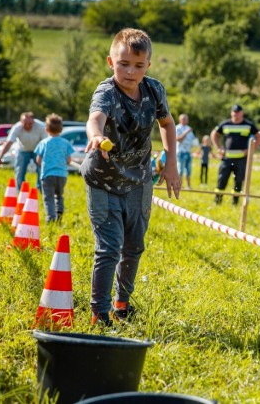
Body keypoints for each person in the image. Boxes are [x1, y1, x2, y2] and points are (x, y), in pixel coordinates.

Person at [80, 28, 181, 327]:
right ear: (111, 62)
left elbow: (167, 123)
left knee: (134, 247)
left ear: (147, 65)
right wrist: (96, 136)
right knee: (110, 247)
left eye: (138, 65)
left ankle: (121, 305)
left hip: (138, 181)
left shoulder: (154, 90)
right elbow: (94, 118)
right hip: (102, 180)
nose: (130, 71)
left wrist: (171, 161)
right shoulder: (106, 92)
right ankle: (99, 313)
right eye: (123, 64)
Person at [211, 104, 260, 205]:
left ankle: (235, 203)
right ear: (231, 113)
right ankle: (217, 202)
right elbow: (214, 134)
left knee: (238, 182)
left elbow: (259, 136)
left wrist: (251, 150)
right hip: (226, 158)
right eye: (234, 112)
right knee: (221, 181)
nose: (236, 114)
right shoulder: (225, 124)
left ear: (242, 113)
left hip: (241, 159)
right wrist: (218, 148)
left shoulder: (248, 125)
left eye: (238, 112)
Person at [34, 113, 74, 223]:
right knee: (59, 195)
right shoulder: (66, 143)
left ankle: (51, 218)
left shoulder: (44, 143)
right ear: (61, 129)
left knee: (49, 198)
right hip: (62, 175)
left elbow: (38, 160)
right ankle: (59, 213)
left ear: (46, 129)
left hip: (48, 175)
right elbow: (69, 160)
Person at [0, 111, 47, 191]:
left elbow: (46, 143)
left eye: (30, 123)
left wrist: (44, 157)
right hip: (22, 150)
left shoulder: (41, 126)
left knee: (42, 170)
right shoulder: (17, 127)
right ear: (21, 122)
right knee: (19, 171)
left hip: (38, 150)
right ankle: (21, 191)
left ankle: (40, 189)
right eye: (25, 123)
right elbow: (9, 143)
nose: (28, 126)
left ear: (34, 121)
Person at [176, 113, 195, 189]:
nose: (185, 120)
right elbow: (178, 139)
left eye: (186, 119)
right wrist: (186, 132)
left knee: (188, 170)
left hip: (188, 152)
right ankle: (179, 185)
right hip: (181, 152)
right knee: (180, 169)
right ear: (180, 120)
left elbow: (192, 140)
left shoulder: (189, 128)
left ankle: (188, 186)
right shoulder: (177, 128)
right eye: (183, 119)